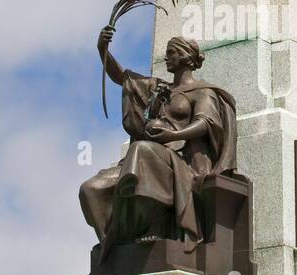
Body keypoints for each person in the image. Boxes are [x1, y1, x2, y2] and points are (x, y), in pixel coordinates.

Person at [79, 26, 237, 261]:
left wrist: (172, 136)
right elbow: (122, 77)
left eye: (171, 53)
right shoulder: (159, 88)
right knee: (91, 189)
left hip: (181, 161)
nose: (166, 57)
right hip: (148, 156)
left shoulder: (203, 92)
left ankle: (154, 225)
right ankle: (115, 246)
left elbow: (207, 123)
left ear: (184, 56)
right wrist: (103, 49)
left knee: (141, 150)